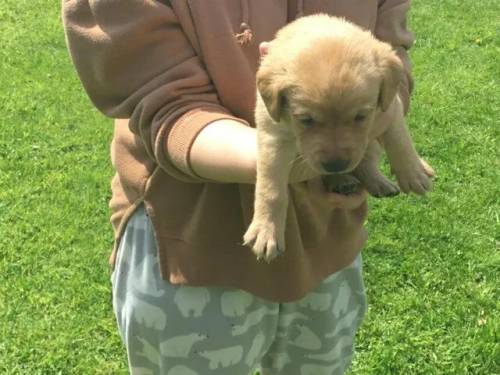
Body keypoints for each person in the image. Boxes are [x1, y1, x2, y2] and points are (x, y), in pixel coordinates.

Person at [63, 1, 415, 374]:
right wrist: (281, 164)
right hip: (192, 243)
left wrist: (361, 148)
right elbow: (164, 102)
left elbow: (391, 64)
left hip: (327, 238)